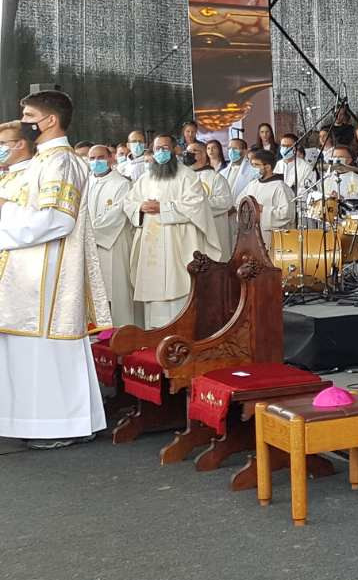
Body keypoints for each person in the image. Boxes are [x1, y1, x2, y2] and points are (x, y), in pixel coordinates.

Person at [0, 91, 109, 448]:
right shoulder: (41, 161)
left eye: (30, 114)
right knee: (29, 354)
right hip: (28, 272)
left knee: (47, 351)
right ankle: (43, 423)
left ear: (49, 121)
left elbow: (57, 219)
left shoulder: (61, 162)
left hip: (50, 277)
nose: (26, 120)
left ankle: (61, 426)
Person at [124, 134, 223, 326]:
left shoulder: (187, 176)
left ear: (175, 150)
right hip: (151, 240)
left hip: (176, 242)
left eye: (165, 148)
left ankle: (180, 330)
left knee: (177, 285)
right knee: (154, 289)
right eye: (157, 149)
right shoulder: (146, 178)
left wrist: (163, 208)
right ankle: (153, 331)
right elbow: (129, 202)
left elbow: (196, 205)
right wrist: (140, 207)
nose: (161, 153)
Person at [85, 144, 137, 327]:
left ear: (111, 158)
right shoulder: (86, 183)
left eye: (100, 158)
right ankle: (97, 331)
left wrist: (88, 232)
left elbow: (117, 214)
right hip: (89, 246)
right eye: (92, 159)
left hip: (113, 243)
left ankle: (122, 331)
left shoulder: (122, 183)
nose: (96, 162)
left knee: (116, 290)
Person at [186, 141, 235, 257]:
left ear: (204, 155)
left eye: (194, 151)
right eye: (188, 152)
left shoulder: (215, 178)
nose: (189, 155)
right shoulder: (183, 178)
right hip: (191, 231)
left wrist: (199, 204)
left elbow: (226, 202)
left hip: (214, 229)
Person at [239, 148, 295, 231]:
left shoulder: (280, 187)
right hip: (251, 232)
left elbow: (287, 214)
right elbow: (239, 203)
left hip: (271, 234)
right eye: (252, 165)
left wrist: (263, 209)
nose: (253, 168)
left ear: (268, 167)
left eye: (256, 165)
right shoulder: (252, 184)